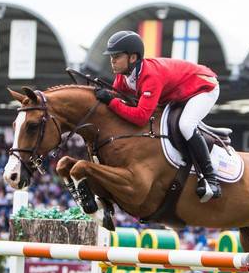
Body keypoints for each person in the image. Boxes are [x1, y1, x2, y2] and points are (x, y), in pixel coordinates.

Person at [95, 30, 222, 201]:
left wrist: (111, 101)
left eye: (116, 56)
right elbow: (115, 98)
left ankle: (211, 178)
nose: (112, 61)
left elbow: (140, 117)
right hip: (177, 91)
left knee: (186, 124)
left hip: (203, 87)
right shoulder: (123, 77)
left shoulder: (150, 76)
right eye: (111, 57)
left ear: (132, 58)